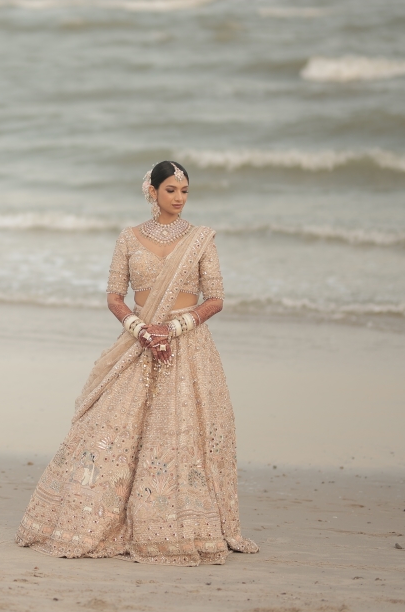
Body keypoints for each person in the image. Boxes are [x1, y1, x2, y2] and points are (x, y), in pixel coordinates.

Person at [16, 160, 258, 566]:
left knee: (185, 435)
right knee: (107, 429)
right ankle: (99, 521)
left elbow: (215, 299)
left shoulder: (201, 239)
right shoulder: (128, 239)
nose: (179, 199)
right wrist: (142, 330)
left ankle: (181, 524)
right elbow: (114, 296)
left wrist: (173, 329)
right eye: (171, 190)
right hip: (138, 343)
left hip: (187, 349)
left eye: (185, 191)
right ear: (153, 192)